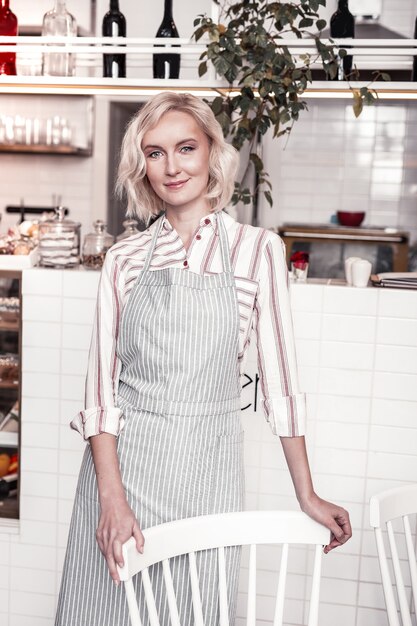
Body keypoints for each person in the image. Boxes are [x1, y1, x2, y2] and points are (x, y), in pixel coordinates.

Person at [55, 92, 351, 626]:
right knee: (104, 613)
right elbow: (100, 393)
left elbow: (281, 383)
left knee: (192, 610)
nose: (172, 167)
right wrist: (111, 500)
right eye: (154, 153)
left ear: (212, 152)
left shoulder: (258, 250)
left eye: (186, 148)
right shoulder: (123, 260)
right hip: (126, 479)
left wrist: (306, 494)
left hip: (208, 477)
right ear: (141, 167)